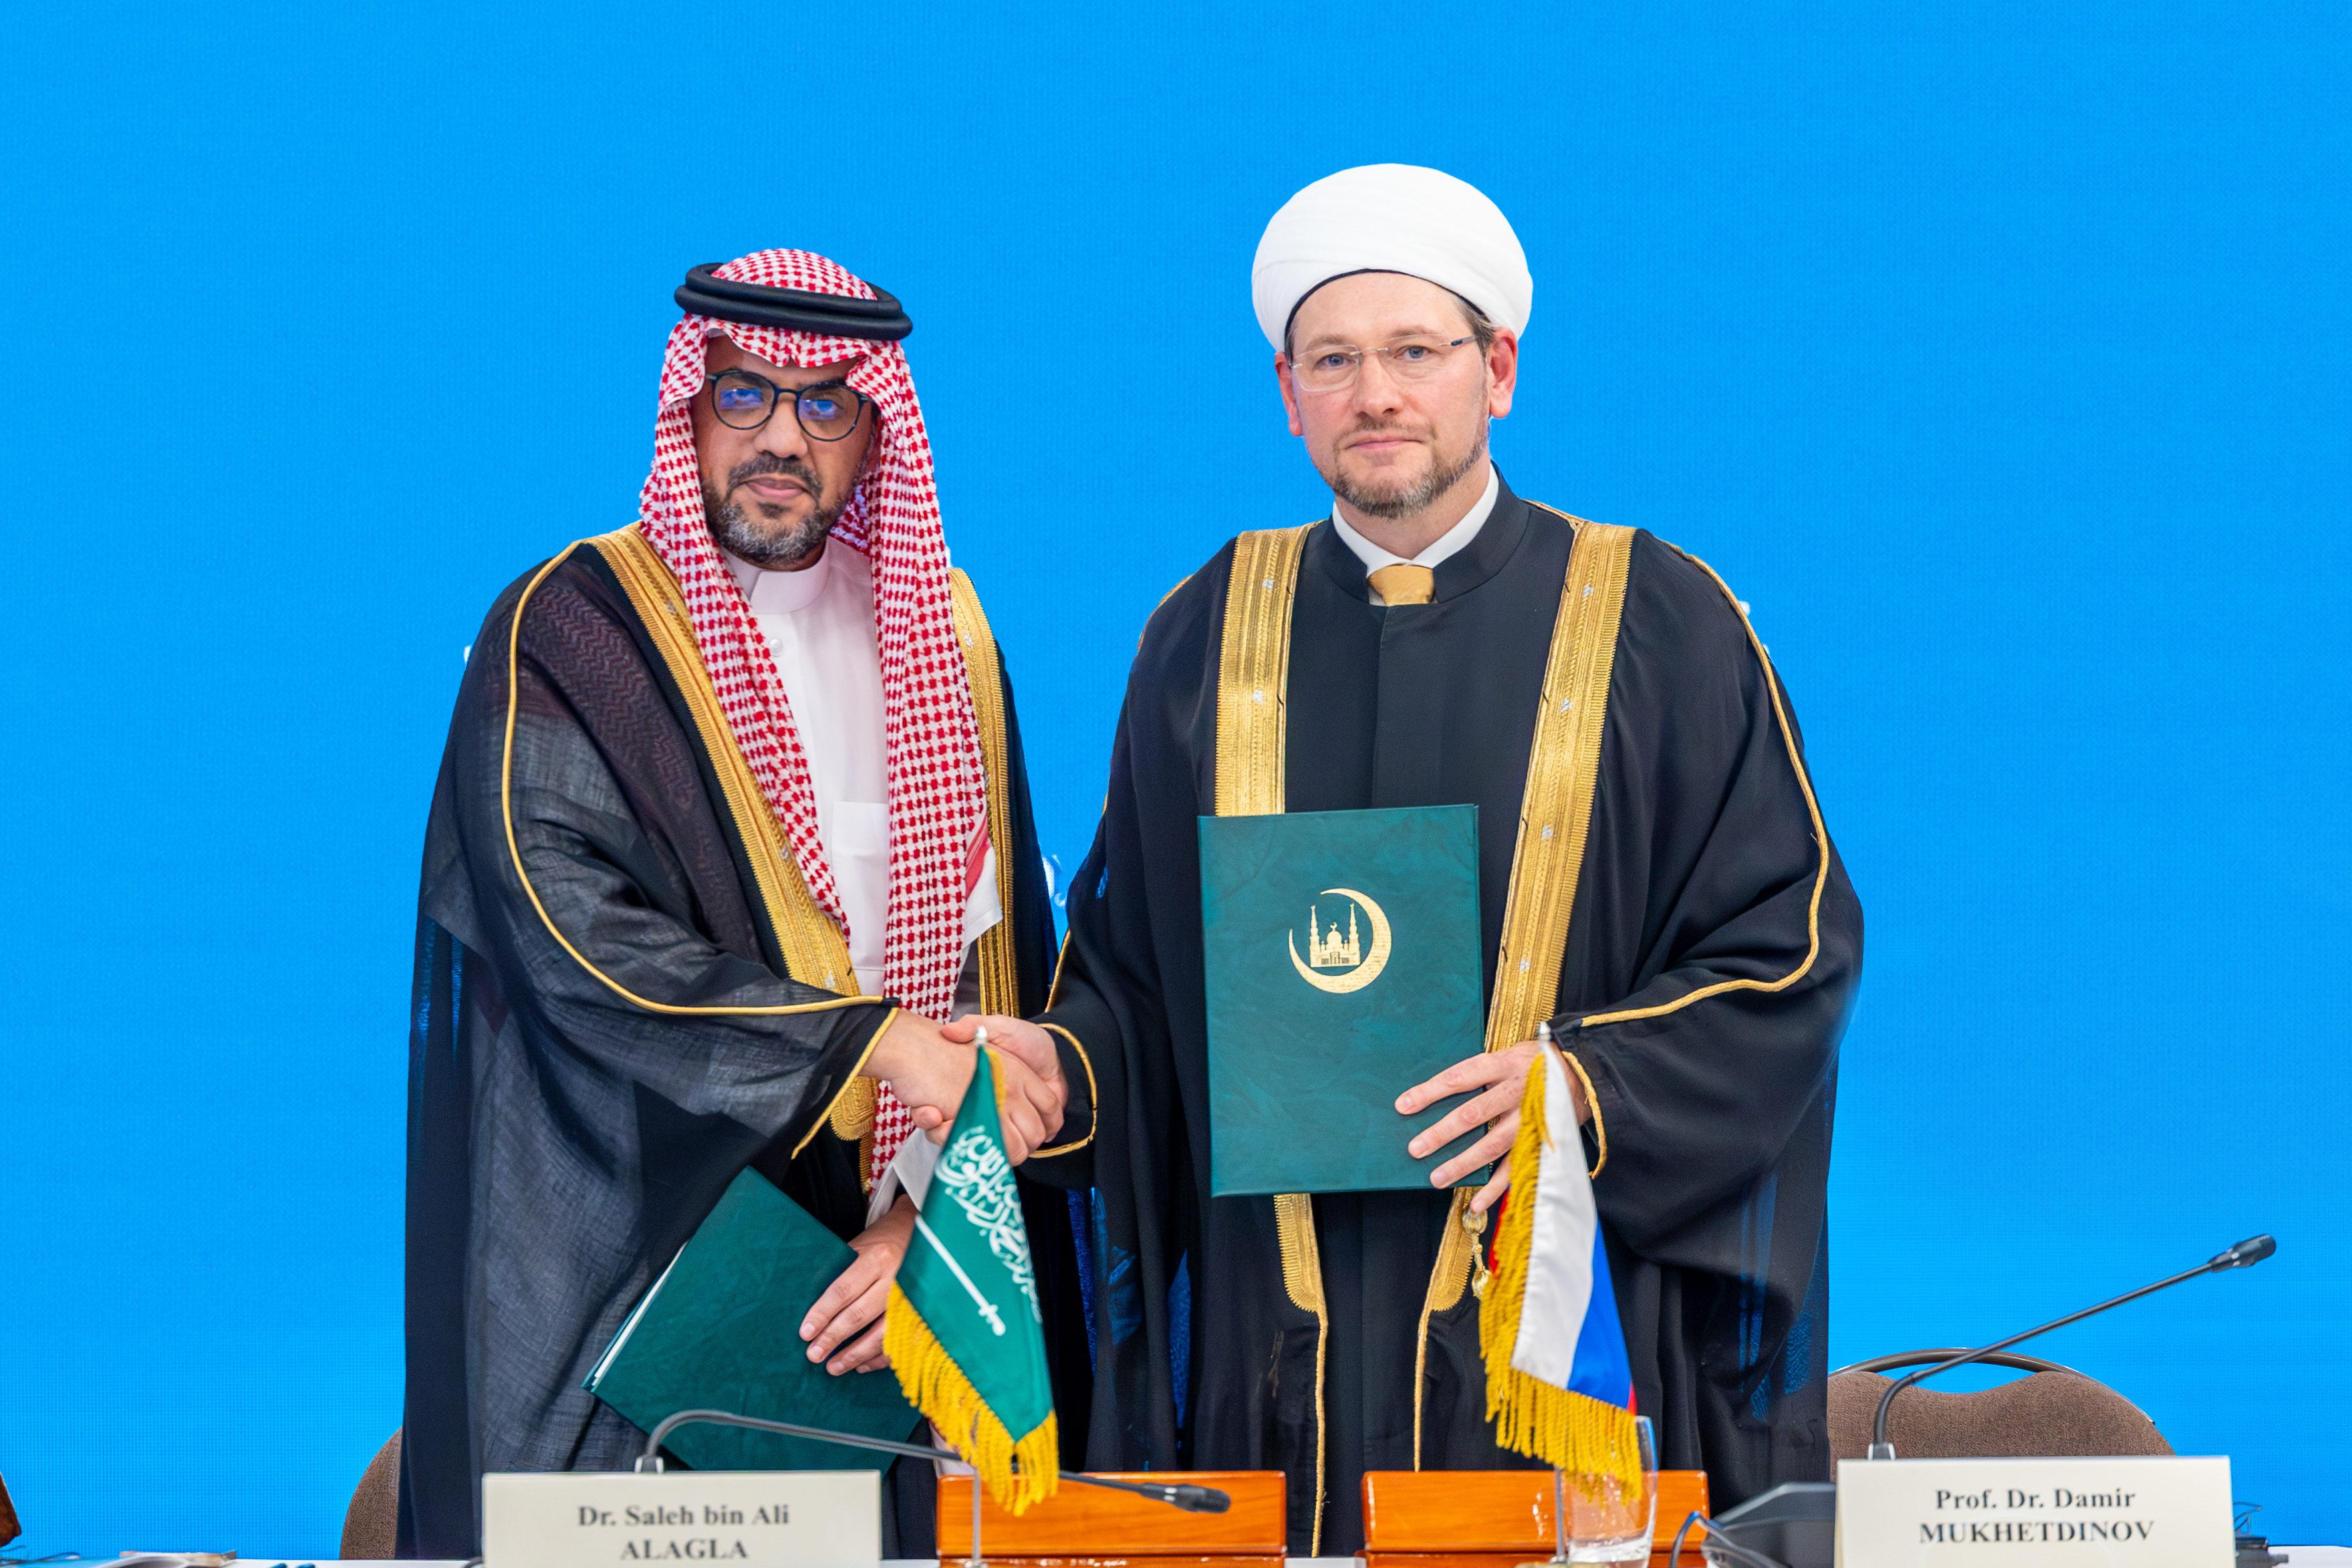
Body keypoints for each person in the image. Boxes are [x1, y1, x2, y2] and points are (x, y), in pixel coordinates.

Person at [1020, 166, 1865, 1552]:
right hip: (1275, 1347)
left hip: (1556, 1331)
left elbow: (1788, 952)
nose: (1376, 395)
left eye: (1416, 351)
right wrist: (1058, 1068)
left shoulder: (1662, 620)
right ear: (1287, 392)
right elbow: (1138, 986)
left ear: (1498, 371)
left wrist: (1581, 1085)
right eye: (1333, 361)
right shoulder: (1201, 633)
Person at [399, 251, 1093, 1558]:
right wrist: (867, 1043)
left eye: (825, 403)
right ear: (690, 407)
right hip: (630, 1273)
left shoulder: (947, 639)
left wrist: (927, 1228)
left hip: (888, 1293)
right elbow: (564, 935)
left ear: (874, 429)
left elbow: (995, 976)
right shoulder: (575, 629)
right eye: (745, 395)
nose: (782, 438)